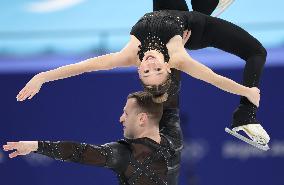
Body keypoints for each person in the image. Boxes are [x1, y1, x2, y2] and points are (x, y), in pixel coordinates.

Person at [16, 0, 269, 145]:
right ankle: (244, 117)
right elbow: (211, 77)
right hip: (196, 27)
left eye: (146, 70)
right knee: (257, 52)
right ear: (168, 67)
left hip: (166, 9)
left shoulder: (127, 54)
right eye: (157, 69)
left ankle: (208, 3)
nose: (150, 63)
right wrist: (247, 91)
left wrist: (42, 77)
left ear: (139, 68)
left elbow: (83, 66)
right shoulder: (178, 56)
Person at [4, 91, 183, 185]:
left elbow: (78, 152)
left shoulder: (124, 154)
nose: (121, 118)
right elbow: (171, 104)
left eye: (126, 114)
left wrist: (36, 146)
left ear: (142, 118)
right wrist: (175, 55)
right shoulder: (174, 141)